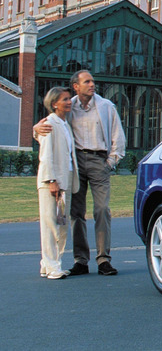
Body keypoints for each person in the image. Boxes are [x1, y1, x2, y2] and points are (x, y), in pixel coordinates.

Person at [34, 70, 126, 276]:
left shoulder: (106, 106)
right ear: (76, 86)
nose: (92, 84)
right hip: (75, 164)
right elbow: (49, 126)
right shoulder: (68, 105)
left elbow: (118, 138)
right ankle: (81, 261)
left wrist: (110, 162)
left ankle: (103, 260)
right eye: (87, 82)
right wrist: (35, 129)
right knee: (76, 212)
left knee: (102, 209)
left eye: (92, 81)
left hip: (99, 161)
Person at [37, 87, 79, 279]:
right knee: (50, 224)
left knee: (61, 223)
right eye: (65, 99)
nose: (69, 102)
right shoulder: (49, 124)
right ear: (54, 104)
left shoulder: (64, 124)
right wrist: (51, 180)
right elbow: (46, 156)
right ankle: (52, 265)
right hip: (52, 182)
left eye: (69, 99)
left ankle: (48, 264)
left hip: (66, 178)